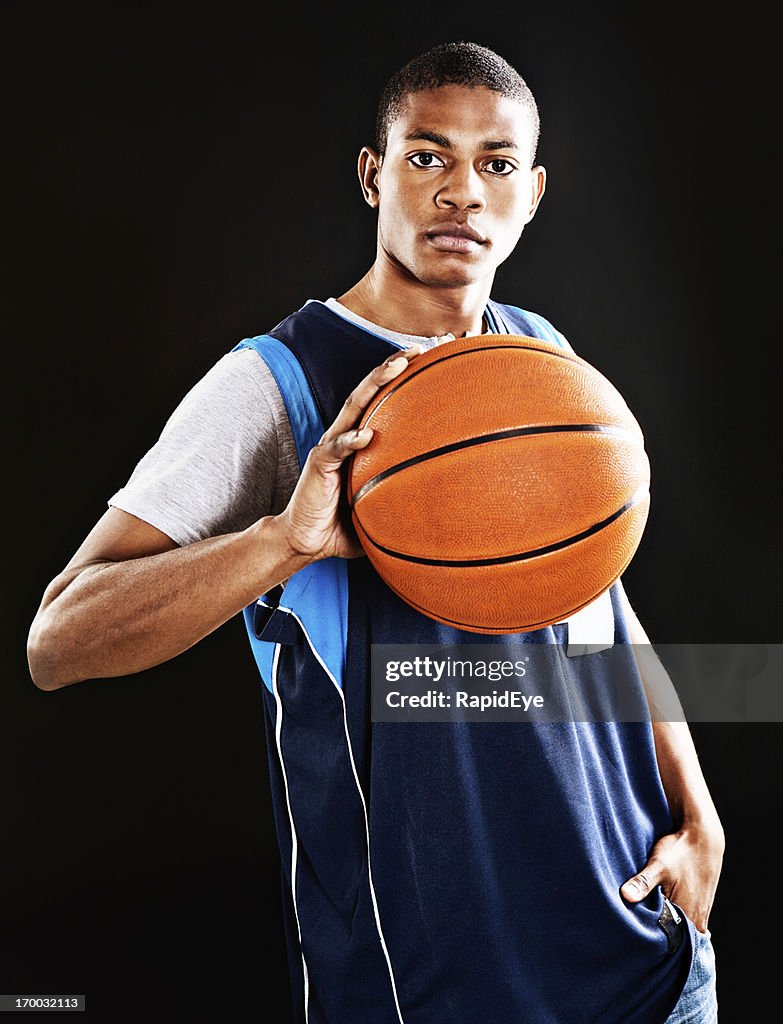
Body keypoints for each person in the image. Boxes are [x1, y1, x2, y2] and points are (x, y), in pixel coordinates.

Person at [27, 42, 724, 1024]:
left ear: (531, 193)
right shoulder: (276, 386)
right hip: (434, 990)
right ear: (373, 174)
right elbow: (57, 642)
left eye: (495, 164)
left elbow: (606, 606)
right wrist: (284, 540)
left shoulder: (543, 359)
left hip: (653, 959)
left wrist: (699, 815)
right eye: (428, 157)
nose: (462, 194)